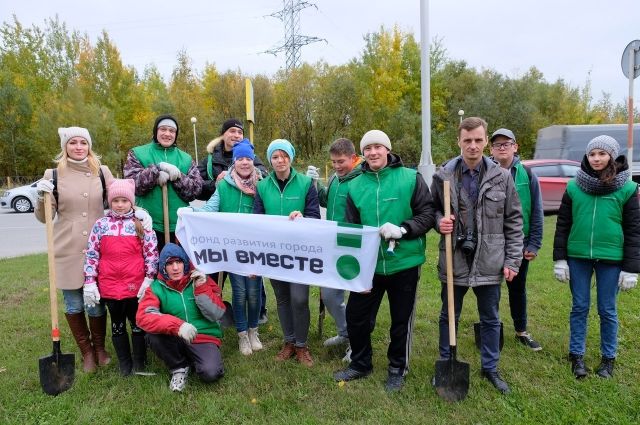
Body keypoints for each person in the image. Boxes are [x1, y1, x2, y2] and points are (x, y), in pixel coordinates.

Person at [333, 130, 435, 392]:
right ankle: (360, 363)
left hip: (405, 262)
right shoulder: (354, 186)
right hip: (369, 267)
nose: (373, 152)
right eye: (368, 149)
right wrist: (352, 272)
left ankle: (397, 367)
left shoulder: (410, 178)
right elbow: (351, 230)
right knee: (356, 317)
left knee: (400, 320)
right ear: (362, 154)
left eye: (378, 147)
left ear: (388, 150)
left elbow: (427, 215)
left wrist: (404, 229)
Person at [431, 117, 523, 394]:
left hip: (490, 259)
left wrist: (512, 260)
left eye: (478, 140)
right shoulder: (442, 176)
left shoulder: (502, 177)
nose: (473, 145)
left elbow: (514, 221)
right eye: (467, 140)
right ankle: (447, 362)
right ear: (458, 141)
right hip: (454, 257)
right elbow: (432, 210)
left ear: (485, 142)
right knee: (449, 315)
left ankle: (490, 368)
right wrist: (439, 222)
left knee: (491, 317)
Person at [553, 135, 640, 379]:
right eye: (592, 154)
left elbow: (634, 230)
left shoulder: (628, 188)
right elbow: (563, 224)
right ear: (587, 157)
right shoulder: (573, 187)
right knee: (579, 307)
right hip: (578, 257)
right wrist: (560, 259)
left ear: (612, 156)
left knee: (607, 309)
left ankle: (608, 358)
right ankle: (577, 356)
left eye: (602, 154)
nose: (596, 158)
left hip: (612, 259)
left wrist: (631, 268)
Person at [34, 127, 120, 372]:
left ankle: (100, 348)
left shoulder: (102, 172)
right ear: (65, 146)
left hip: (98, 245)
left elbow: (119, 199)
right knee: (73, 303)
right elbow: (44, 217)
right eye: (73, 143)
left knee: (95, 302)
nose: (79, 147)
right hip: (67, 246)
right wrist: (41, 196)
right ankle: (87, 352)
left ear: (89, 146)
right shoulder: (53, 174)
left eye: (83, 142)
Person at [182, 139, 264, 356]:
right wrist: (190, 213)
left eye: (248, 158)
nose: (245, 163)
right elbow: (210, 208)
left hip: (255, 250)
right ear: (234, 162)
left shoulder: (262, 185)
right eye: (240, 159)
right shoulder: (224, 185)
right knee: (239, 293)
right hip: (233, 250)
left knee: (254, 293)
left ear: (253, 161)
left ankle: (254, 330)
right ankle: (242, 334)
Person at [253, 139, 321, 367]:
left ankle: (302, 345)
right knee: (282, 298)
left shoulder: (305, 183)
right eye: (275, 156)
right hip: (274, 254)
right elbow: (256, 222)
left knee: (299, 298)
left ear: (291, 158)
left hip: (300, 253)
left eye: (284, 156)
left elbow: (315, 217)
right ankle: (289, 342)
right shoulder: (262, 187)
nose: (280, 160)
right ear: (270, 160)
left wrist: (303, 218)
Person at [196, 118, 269, 324]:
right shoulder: (210, 160)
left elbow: (264, 175)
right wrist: (190, 212)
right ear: (223, 134)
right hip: (225, 240)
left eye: (239, 132)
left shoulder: (259, 183)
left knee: (254, 287)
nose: (235, 135)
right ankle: (216, 314)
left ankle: (257, 315)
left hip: (251, 243)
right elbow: (202, 192)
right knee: (227, 282)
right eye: (231, 131)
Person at [83, 179, 159, 375]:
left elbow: (151, 253)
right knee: (117, 325)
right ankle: (125, 364)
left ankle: (139, 362)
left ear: (131, 202)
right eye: (115, 200)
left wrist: (149, 278)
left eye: (124, 200)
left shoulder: (140, 224)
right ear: (109, 202)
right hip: (109, 287)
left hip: (135, 286)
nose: (119, 204)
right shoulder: (101, 225)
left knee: (137, 324)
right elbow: (92, 254)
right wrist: (90, 281)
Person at [136, 243, 227, 392]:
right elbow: (144, 316)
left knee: (211, 373)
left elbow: (217, 313)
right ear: (163, 268)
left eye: (178, 262)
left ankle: (196, 359)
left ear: (185, 263)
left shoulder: (200, 279)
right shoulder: (156, 287)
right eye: (170, 264)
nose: (175, 268)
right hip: (174, 336)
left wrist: (202, 288)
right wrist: (178, 326)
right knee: (153, 336)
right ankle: (179, 367)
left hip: (203, 336)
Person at [306, 138, 363, 362]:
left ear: (353, 158)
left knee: (357, 299)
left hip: (354, 244)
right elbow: (325, 201)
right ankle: (345, 332)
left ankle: (357, 342)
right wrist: (315, 185)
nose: (337, 166)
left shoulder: (362, 179)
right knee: (329, 294)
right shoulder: (335, 179)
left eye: (341, 162)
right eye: (333, 162)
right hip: (333, 244)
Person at [489, 128, 543, 351]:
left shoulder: (527, 175)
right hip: (490, 242)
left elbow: (537, 210)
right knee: (490, 290)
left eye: (506, 143)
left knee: (517, 288)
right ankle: (491, 329)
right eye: (497, 144)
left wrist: (534, 243)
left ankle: (521, 330)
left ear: (515, 147)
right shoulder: (485, 172)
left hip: (518, 244)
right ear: (490, 149)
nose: (502, 147)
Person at [124, 114, 202, 253]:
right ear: (156, 131)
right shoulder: (137, 153)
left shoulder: (186, 159)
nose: (167, 134)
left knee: (175, 270)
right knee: (149, 269)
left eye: (172, 131)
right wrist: (156, 170)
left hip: (178, 227)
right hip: (146, 225)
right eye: (163, 129)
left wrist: (177, 177)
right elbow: (133, 186)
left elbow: (195, 191)